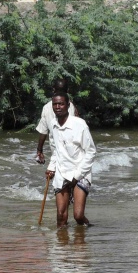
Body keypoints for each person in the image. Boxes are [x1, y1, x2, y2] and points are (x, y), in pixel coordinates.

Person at [45, 92, 96, 227]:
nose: (58, 107)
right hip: (62, 172)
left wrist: (77, 175)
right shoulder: (53, 124)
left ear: (68, 105)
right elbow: (57, 150)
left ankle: (86, 229)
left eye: (61, 104)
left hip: (80, 172)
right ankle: (62, 246)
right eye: (55, 104)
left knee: (78, 216)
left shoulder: (80, 124)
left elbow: (91, 151)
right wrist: (51, 167)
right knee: (61, 217)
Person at [35, 78, 78, 165]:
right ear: (68, 91)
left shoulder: (46, 107)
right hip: (72, 153)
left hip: (57, 152)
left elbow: (43, 132)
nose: (58, 107)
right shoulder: (71, 106)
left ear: (53, 90)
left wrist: (39, 150)